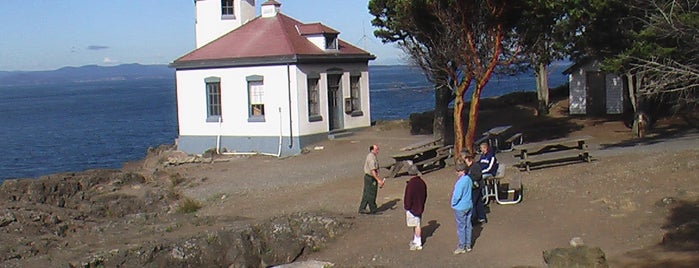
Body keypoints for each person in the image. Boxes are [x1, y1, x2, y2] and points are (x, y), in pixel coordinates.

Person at [451, 163, 473, 254]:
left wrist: (453, 203)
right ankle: (468, 245)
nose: (457, 173)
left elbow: (457, 196)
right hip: (469, 205)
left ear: (463, 172)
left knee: (461, 227)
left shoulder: (460, 182)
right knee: (468, 225)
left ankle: (461, 246)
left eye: (459, 171)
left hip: (460, 207)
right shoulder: (469, 179)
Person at [404, 165, 427, 251]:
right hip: (420, 206)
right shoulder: (422, 182)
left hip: (413, 207)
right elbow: (425, 195)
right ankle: (415, 240)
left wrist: (407, 206)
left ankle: (418, 243)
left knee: (417, 225)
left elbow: (408, 196)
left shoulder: (411, 184)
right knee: (417, 223)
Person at [359, 144, 385, 214]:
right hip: (370, 178)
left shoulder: (372, 156)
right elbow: (372, 170)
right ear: (372, 150)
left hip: (369, 177)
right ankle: (373, 209)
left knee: (366, 193)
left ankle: (362, 208)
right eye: (377, 149)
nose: (378, 151)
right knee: (371, 193)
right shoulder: (371, 158)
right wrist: (378, 180)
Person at [465, 154, 487, 224]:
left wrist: (469, 178)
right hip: (473, 187)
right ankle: (481, 217)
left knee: (473, 202)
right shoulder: (469, 168)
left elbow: (477, 176)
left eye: (466, 162)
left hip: (476, 187)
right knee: (478, 202)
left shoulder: (475, 166)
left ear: (470, 161)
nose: (466, 164)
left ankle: (474, 218)